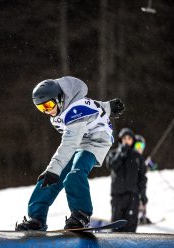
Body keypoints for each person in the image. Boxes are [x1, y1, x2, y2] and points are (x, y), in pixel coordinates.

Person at [15, 76, 125, 231]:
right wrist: (108, 107)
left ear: (59, 98)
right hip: (79, 142)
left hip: (96, 142)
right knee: (47, 180)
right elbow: (93, 106)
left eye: (48, 105)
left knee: (74, 174)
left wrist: (53, 169)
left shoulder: (74, 111)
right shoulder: (62, 108)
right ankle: (36, 219)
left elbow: (69, 143)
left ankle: (81, 215)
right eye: (41, 108)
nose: (47, 111)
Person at [106, 129, 147, 232]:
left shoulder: (138, 157)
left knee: (131, 226)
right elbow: (111, 166)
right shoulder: (113, 153)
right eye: (124, 138)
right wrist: (121, 154)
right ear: (120, 140)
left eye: (129, 138)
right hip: (117, 196)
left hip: (133, 196)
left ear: (133, 140)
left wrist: (143, 195)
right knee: (116, 225)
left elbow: (142, 178)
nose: (126, 141)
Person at [134, 134, 152, 225]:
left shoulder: (140, 158)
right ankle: (137, 216)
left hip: (141, 185)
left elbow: (142, 171)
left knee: (143, 198)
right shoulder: (132, 157)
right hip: (134, 186)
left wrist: (148, 166)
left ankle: (143, 216)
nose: (139, 148)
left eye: (142, 146)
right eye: (137, 146)